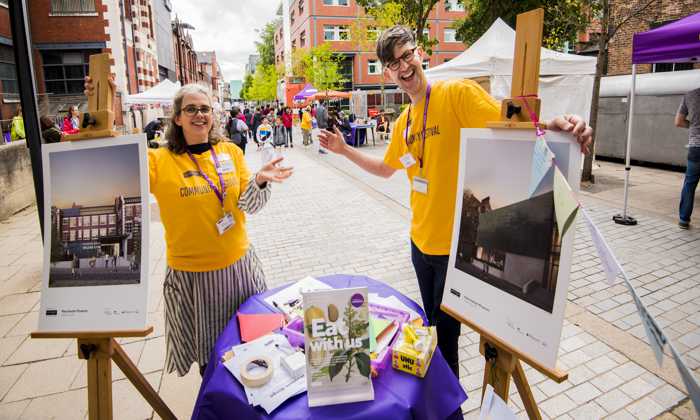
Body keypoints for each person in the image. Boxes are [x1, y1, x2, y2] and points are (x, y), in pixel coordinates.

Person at [318, 26, 592, 379]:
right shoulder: (403, 123)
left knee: (445, 341)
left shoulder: (456, 94)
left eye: (407, 55)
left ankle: (450, 410)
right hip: (420, 246)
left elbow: (508, 120)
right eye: (393, 63)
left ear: (421, 55)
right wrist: (344, 151)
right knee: (433, 329)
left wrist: (552, 125)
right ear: (386, 73)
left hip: (453, 250)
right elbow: (386, 169)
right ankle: (444, 402)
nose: (403, 68)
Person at [85, 77, 294, 377]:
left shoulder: (230, 152)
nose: (200, 114)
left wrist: (260, 180)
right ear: (177, 117)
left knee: (254, 347)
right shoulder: (158, 160)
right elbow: (111, 161)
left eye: (205, 108)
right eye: (191, 109)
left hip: (241, 271)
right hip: (194, 279)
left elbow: (250, 205)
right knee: (213, 361)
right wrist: (102, 106)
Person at [675, 88, 700, 230]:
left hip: (696, 147)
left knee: (689, 185)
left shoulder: (690, 95)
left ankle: (684, 220)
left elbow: (678, 121)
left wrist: (693, 126)